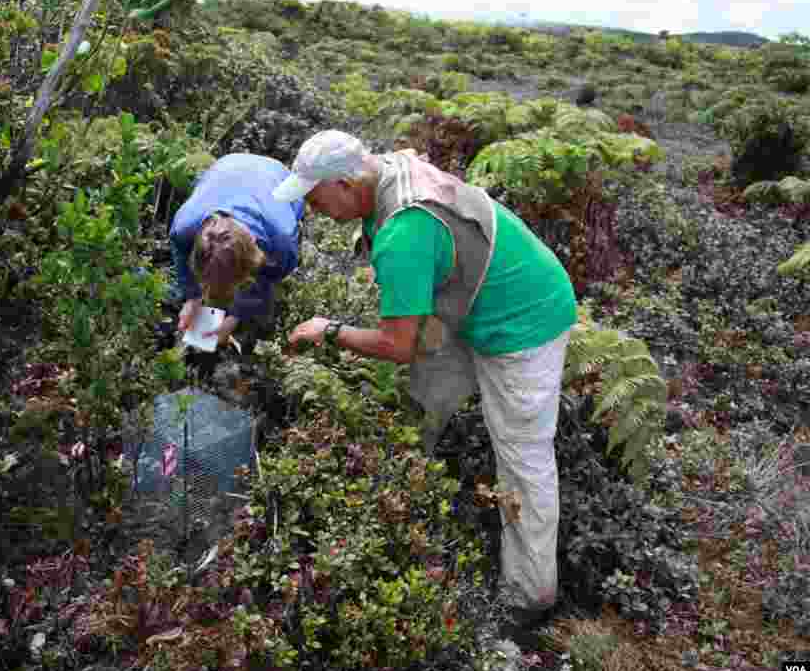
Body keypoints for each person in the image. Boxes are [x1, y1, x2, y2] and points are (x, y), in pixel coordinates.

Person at [272, 130, 578, 631]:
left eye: (314, 197)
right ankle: (397, 502)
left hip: (526, 320)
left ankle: (529, 598)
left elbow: (397, 346)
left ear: (348, 182)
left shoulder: (404, 232)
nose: (310, 209)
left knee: (523, 459)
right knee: (418, 408)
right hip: (466, 300)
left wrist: (330, 331)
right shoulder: (386, 168)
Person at [170, 153, 304, 347]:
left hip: (278, 177)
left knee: (263, 306)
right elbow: (181, 254)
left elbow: (266, 279)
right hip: (227, 167)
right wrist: (192, 297)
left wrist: (234, 319)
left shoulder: (281, 245)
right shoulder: (184, 226)